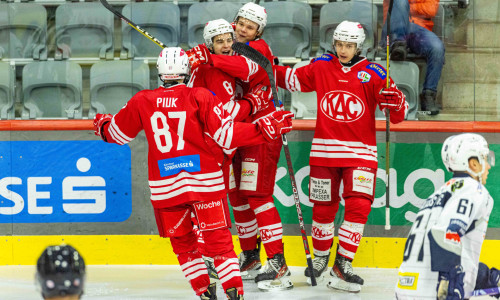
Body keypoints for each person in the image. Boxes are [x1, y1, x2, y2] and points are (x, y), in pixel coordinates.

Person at [93, 47, 293, 300]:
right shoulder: (200, 96)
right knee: (220, 247)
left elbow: (116, 135)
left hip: (166, 189)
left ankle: (204, 292)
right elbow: (227, 135)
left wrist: (101, 124)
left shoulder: (142, 100)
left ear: (160, 73)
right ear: (187, 72)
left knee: (186, 248)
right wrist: (265, 129)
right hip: (205, 185)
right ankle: (235, 295)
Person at [273, 20, 408, 293]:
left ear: (359, 47)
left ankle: (343, 262)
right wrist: (265, 63)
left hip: (361, 154)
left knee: (358, 208)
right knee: (323, 211)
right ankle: (321, 258)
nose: (343, 50)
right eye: (339, 44)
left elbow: (398, 115)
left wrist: (398, 101)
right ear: (332, 43)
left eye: (349, 45)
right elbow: (291, 80)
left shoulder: (375, 72)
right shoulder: (322, 65)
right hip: (324, 153)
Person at [187, 2, 293, 291]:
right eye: (241, 23)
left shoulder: (257, 49)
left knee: (257, 195)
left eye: (250, 26)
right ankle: (250, 256)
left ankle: (278, 262)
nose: (243, 29)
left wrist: (207, 57)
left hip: (261, 132)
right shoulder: (228, 46)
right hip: (236, 135)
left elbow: (245, 70)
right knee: (238, 196)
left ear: (259, 31)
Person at [395, 133, 496, 299]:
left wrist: (482, 276)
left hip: (406, 289)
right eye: (485, 159)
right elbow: (445, 233)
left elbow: (437, 243)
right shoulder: (473, 189)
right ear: (473, 163)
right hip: (433, 292)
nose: (489, 166)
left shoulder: (438, 194)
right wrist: (447, 280)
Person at [381, 0, 445, 115]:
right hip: (394, 28)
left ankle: (428, 94)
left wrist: (405, 8)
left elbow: (430, 9)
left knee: (437, 48)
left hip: (418, 29)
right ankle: (398, 44)